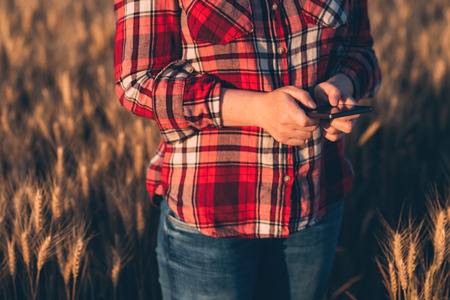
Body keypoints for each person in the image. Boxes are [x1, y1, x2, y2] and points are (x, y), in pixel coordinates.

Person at [114, 0, 381, 299]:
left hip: (315, 201)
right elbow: (138, 80)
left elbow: (361, 52)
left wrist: (340, 86)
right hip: (211, 215)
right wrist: (257, 110)